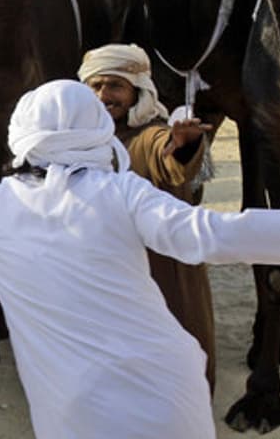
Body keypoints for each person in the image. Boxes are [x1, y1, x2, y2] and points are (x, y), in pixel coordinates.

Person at [0, 79, 280, 439]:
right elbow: (216, 234)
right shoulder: (120, 193)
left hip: (76, 412)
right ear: (96, 131)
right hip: (166, 393)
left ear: (22, 134)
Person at [78, 43, 218, 389]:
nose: (104, 95)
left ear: (137, 90)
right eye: (95, 86)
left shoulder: (147, 133)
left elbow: (166, 156)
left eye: (115, 86)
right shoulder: (82, 138)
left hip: (158, 268)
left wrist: (182, 145)